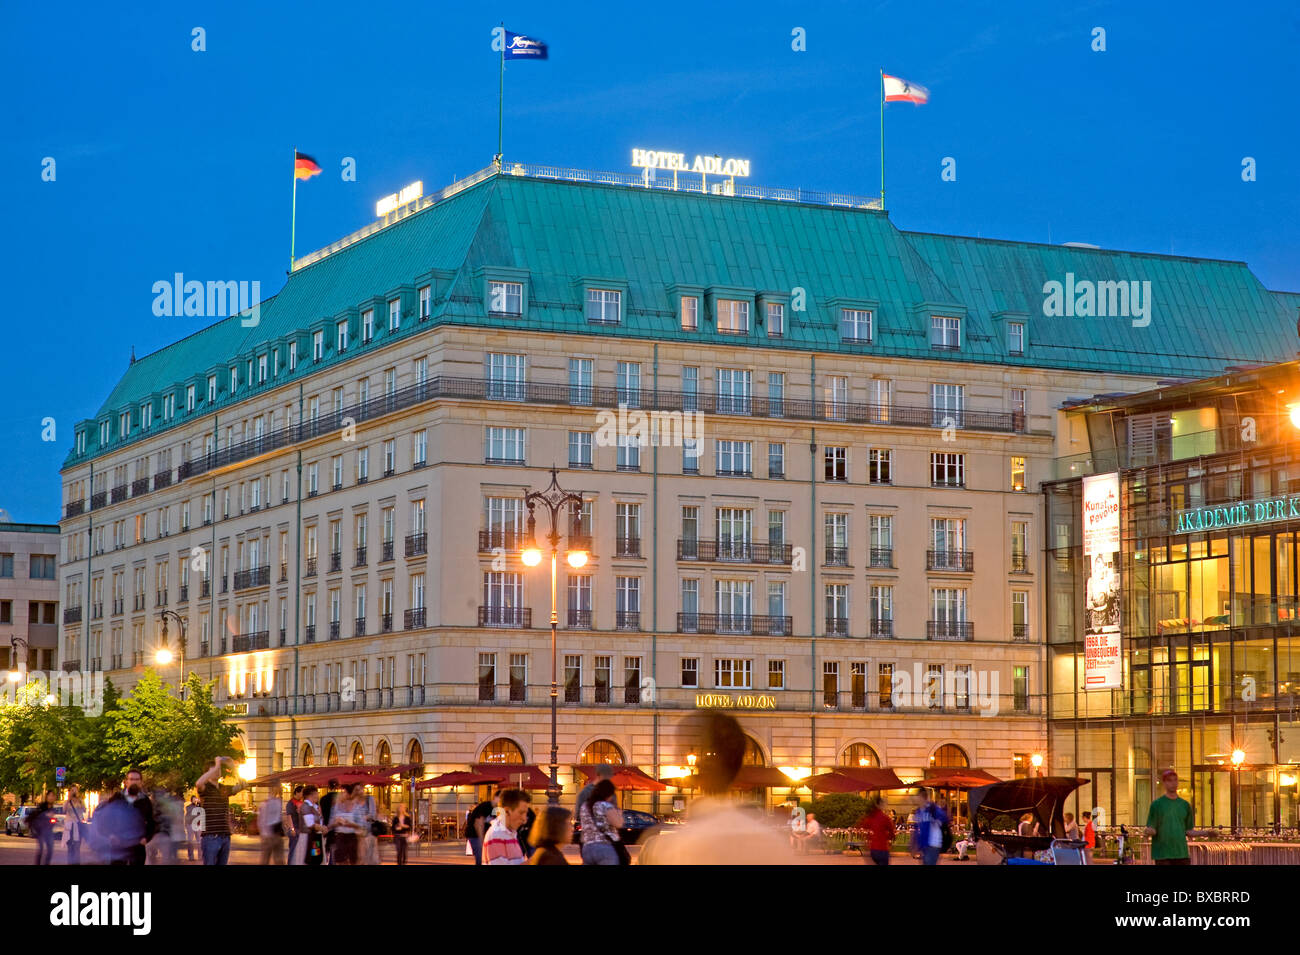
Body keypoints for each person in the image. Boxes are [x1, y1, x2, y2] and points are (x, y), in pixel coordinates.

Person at [194, 756, 245, 865]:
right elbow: (198, 783)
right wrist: (217, 765)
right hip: (210, 836)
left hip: (225, 836)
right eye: (215, 770)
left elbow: (243, 785)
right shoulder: (205, 788)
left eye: (219, 769)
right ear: (208, 773)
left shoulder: (224, 788)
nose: (218, 770)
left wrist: (234, 768)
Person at [91, 778, 150, 865]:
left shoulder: (144, 800)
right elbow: (104, 817)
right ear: (125, 783)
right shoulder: (116, 798)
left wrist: (146, 837)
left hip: (137, 843)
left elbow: (150, 820)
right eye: (131, 780)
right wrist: (109, 834)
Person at [1144, 769, 1196, 865]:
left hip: (1181, 853)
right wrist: (1149, 831)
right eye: (1170, 780)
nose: (1173, 783)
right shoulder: (1157, 805)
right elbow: (1152, 827)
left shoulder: (1185, 805)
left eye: (1175, 780)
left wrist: (1207, 833)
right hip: (1163, 855)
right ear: (1164, 783)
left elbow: (1189, 831)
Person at [578, 779, 623, 865]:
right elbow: (619, 824)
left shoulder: (584, 806)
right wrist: (619, 812)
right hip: (604, 848)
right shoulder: (605, 805)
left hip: (587, 848)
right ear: (609, 793)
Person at [483, 788, 531, 865]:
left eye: (526, 813)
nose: (524, 819)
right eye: (521, 813)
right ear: (506, 811)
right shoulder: (496, 835)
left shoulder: (509, 833)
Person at [574, 764, 614, 847]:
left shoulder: (584, 792)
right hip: (605, 841)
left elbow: (578, 815)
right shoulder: (611, 793)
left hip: (588, 840)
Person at [328, 784, 367, 865]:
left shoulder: (356, 807)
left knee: (354, 861)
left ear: (349, 794)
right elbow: (330, 825)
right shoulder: (336, 807)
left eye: (344, 792)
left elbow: (360, 824)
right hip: (340, 837)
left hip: (352, 837)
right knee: (340, 861)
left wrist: (350, 824)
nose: (341, 794)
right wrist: (336, 823)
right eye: (341, 792)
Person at [911, 789, 949, 866]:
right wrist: (915, 845)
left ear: (922, 797)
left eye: (918, 797)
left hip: (934, 844)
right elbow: (917, 829)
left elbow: (945, 817)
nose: (916, 799)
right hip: (925, 846)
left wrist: (938, 819)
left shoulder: (931, 808)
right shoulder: (918, 812)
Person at [859, 797, 896, 866]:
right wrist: (888, 838)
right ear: (880, 805)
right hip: (883, 849)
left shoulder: (871, 817)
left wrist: (867, 838)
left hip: (873, 849)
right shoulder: (885, 818)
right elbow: (892, 832)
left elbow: (862, 826)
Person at [464, 792, 496, 865]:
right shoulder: (487, 806)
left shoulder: (498, 810)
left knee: (486, 858)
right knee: (481, 858)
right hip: (474, 835)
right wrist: (482, 840)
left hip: (482, 835)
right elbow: (478, 823)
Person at [297, 786, 325, 865]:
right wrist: (323, 828)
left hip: (315, 838)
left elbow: (319, 821)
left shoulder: (314, 807)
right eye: (316, 793)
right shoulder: (306, 806)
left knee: (315, 858)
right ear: (310, 795)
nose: (318, 795)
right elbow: (310, 824)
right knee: (310, 859)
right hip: (308, 838)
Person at [258, 792, 289, 864]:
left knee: (268, 859)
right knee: (272, 858)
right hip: (272, 835)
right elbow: (262, 820)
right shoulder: (270, 804)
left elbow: (261, 821)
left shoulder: (269, 804)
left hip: (272, 835)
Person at [30, 791, 57, 865]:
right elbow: (36, 817)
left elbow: (52, 821)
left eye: (53, 796)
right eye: (50, 796)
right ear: (46, 797)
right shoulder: (42, 806)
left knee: (50, 850)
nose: (51, 797)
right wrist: (46, 815)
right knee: (41, 849)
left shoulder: (53, 808)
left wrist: (53, 820)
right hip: (40, 831)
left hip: (49, 831)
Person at [320, 779, 341, 864]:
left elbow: (321, 813)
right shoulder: (339, 798)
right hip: (336, 826)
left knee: (326, 848)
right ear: (337, 786)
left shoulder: (323, 799)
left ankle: (324, 862)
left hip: (325, 825)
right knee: (334, 849)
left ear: (328, 786)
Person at [66, 785, 86, 865]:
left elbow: (84, 809)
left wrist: (80, 800)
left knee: (77, 847)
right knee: (70, 847)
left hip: (78, 825)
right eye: (72, 790)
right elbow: (64, 810)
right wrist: (69, 799)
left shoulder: (80, 800)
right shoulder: (68, 802)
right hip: (70, 826)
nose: (74, 792)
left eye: (75, 790)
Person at [285, 787, 304, 865]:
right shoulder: (291, 803)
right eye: (302, 792)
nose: (303, 794)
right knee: (293, 850)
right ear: (297, 792)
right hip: (295, 829)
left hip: (300, 829)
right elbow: (289, 816)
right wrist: (292, 829)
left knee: (298, 851)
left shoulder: (301, 802)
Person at [184, 795, 203, 862]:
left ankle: (200, 857)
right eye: (194, 799)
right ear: (191, 800)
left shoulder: (199, 806)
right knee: (190, 841)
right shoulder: (188, 807)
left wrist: (199, 804)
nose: (195, 800)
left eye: (196, 799)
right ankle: (191, 857)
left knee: (199, 842)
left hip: (198, 825)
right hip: (190, 825)